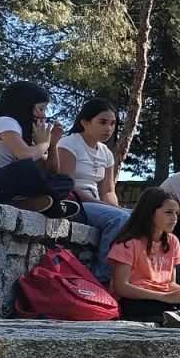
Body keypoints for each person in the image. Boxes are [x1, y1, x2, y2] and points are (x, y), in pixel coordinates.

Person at [0, 81, 77, 215]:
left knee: (65, 181)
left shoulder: (20, 133)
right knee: (25, 168)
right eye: (41, 109)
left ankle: (25, 202)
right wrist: (44, 144)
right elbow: (25, 156)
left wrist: (52, 144)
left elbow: (51, 170)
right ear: (25, 106)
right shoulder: (6, 122)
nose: (44, 116)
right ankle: (49, 206)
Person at [55, 98, 127, 279]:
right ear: (85, 122)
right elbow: (67, 185)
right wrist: (104, 206)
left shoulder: (106, 153)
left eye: (112, 123)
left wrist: (113, 207)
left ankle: (134, 278)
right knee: (119, 219)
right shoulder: (69, 144)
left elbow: (108, 191)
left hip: (96, 204)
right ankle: (104, 277)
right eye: (102, 122)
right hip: (74, 203)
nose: (108, 128)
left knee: (143, 217)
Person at [106, 188, 180, 324]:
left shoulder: (172, 241)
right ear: (150, 213)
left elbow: (170, 283)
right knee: (149, 307)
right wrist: (163, 297)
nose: (174, 218)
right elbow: (120, 287)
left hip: (164, 297)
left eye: (176, 213)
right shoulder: (128, 243)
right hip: (137, 299)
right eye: (168, 212)